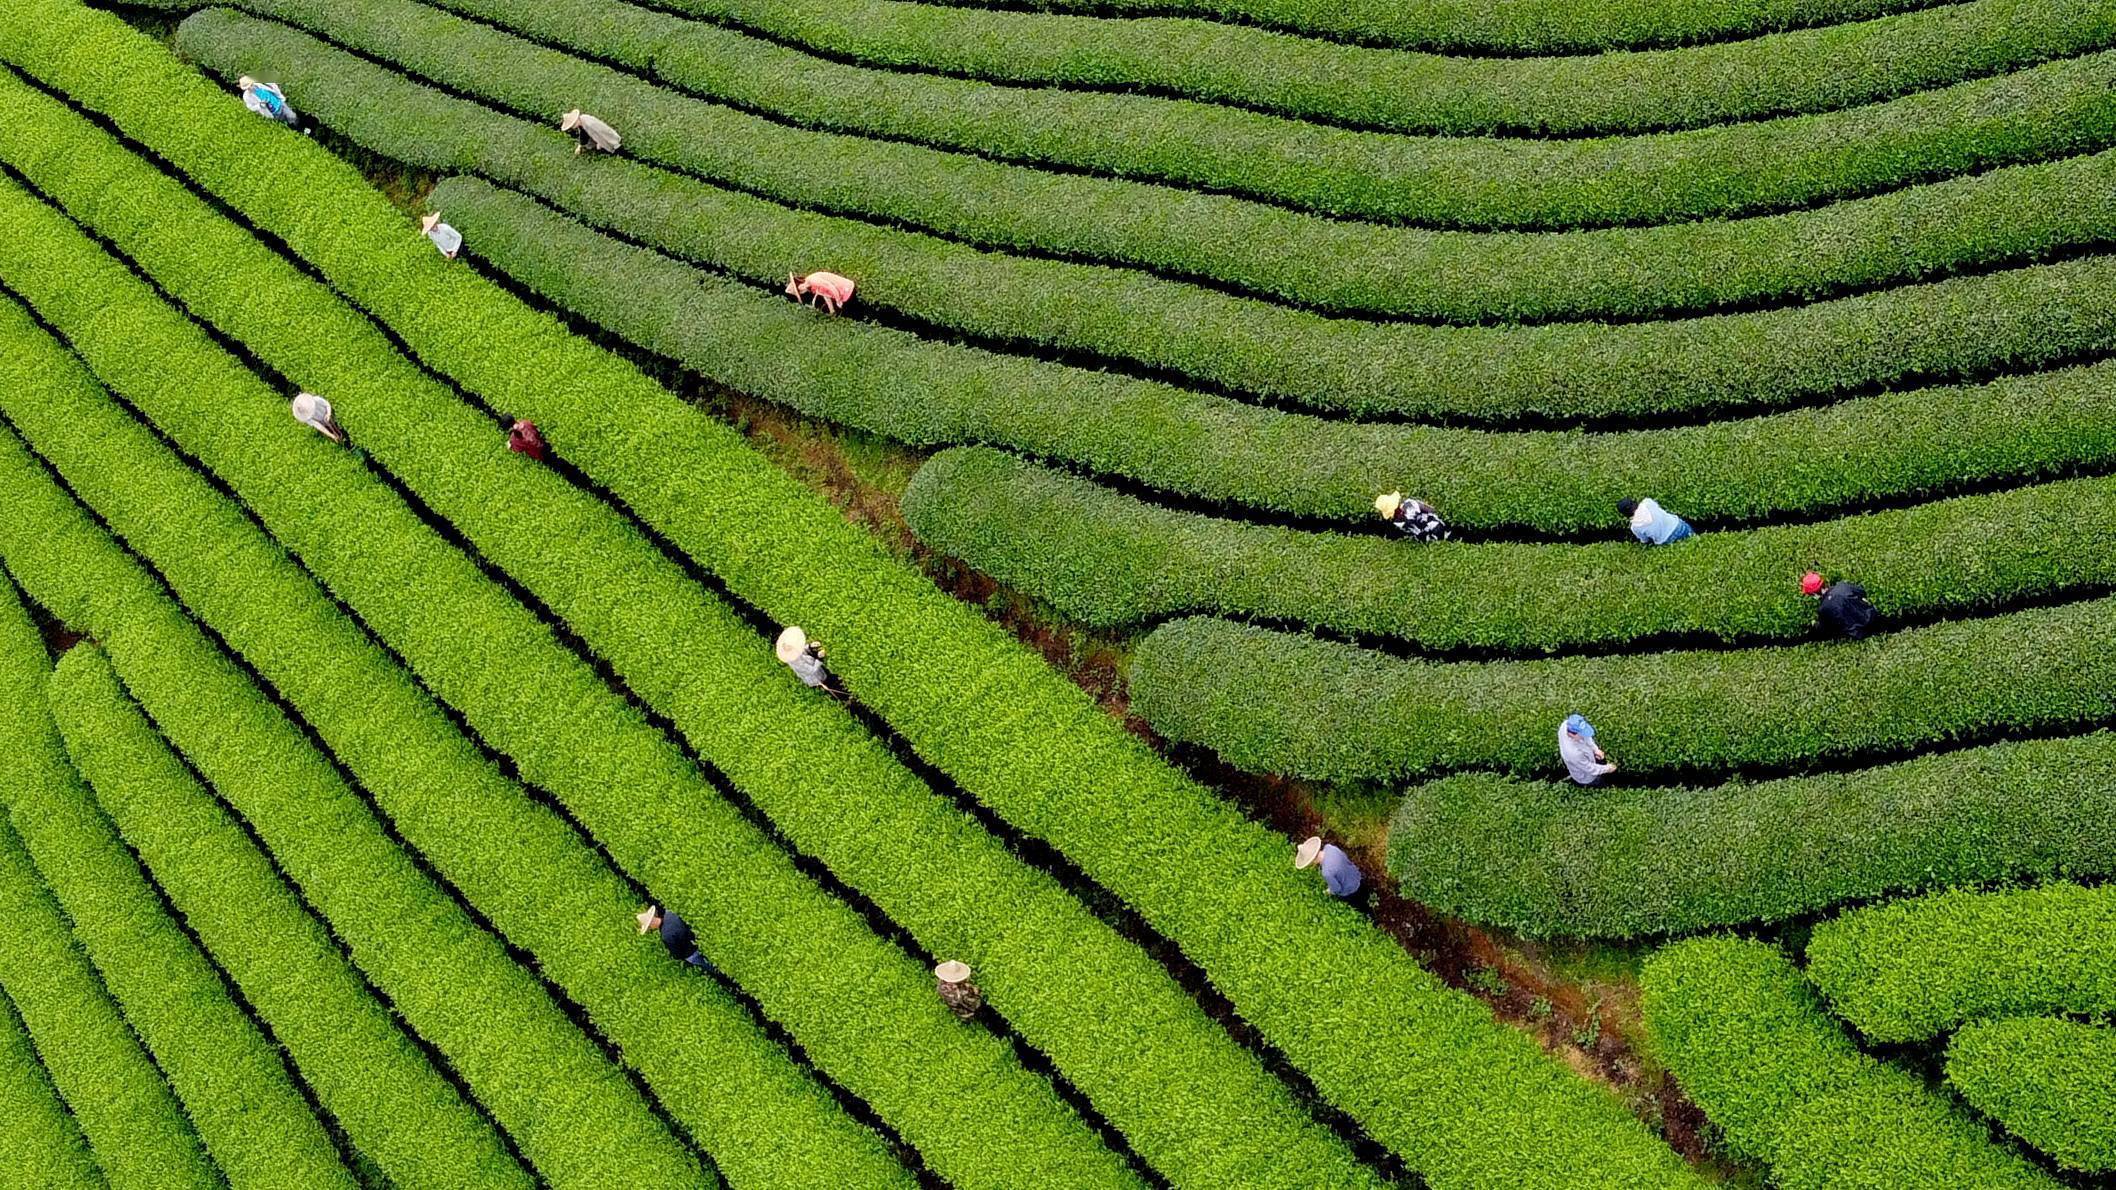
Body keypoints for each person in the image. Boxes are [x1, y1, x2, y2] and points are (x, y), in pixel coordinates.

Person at [636, 905, 716, 973]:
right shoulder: (670, 913)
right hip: (698, 940)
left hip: (691, 953)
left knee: (710, 966)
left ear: (651, 925)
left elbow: (677, 954)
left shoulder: (665, 936)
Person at [1803, 571, 1876, 640]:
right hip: (1873, 619)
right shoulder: (1843, 586)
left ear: (1813, 594)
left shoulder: (1823, 609)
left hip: (1858, 634)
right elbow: (1862, 591)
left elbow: (1825, 630)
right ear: (1824, 582)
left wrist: (1814, 625)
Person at [1294, 835, 1365, 902]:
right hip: (1356, 875)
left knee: (1358, 900)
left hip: (1350, 890)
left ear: (1312, 861)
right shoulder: (1329, 848)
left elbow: (1337, 889)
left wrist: (1328, 891)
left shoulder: (1326, 872)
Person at [774, 626, 842, 694]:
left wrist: (810, 646)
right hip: (816, 679)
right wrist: (819, 658)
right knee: (831, 687)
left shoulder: (794, 650)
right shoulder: (795, 663)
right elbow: (811, 670)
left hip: (817, 668)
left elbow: (802, 650)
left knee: (829, 677)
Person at [237, 75, 309, 134]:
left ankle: (301, 128)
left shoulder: (259, 85)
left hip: (280, 104)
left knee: (293, 116)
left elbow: (272, 88)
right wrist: (260, 105)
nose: (250, 87)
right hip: (273, 112)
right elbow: (250, 107)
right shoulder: (247, 96)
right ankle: (299, 132)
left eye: (250, 85)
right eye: (247, 87)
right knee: (285, 123)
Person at [1559, 713, 1616, 786]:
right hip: (1587, 777)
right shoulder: (1573, 753)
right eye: (1582, 734)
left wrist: (1595, 750)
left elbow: (1587, 737)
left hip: (1586, 758)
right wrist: (1607, 768)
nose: (1584, 736)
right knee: (1599, 782)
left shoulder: (1566, 724)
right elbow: (1590, 768)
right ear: (1573, 734)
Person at [1374, 492, 1452, 542]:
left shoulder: (1409, 505)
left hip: (1436, 528)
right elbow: (1430, 510)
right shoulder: (1398, 521)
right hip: (1428, 536)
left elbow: (1430, 510)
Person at [1617, 497, 1693, 545]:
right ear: (1634, 502)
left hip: (1667, 540)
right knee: (1693, 539)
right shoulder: (1647, 502)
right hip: (1678, 526)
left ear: (1625, 514)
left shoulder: (1635, 527)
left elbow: (1645, 540)